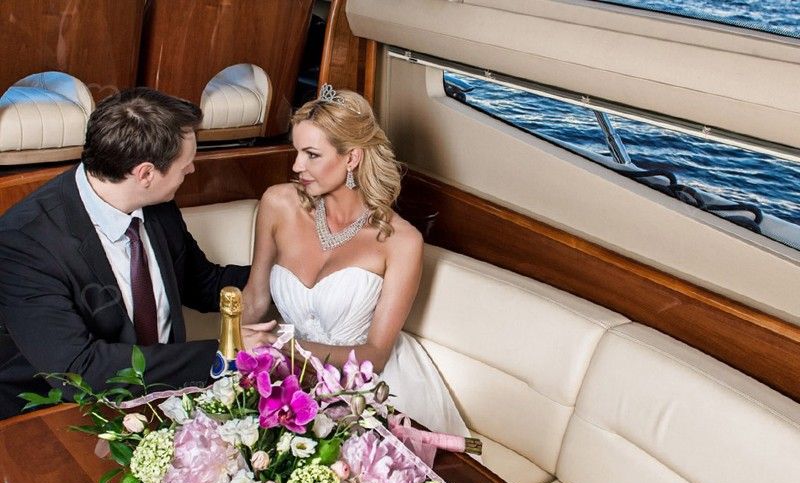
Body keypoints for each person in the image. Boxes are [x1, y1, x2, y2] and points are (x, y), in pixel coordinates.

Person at [0, 87, 274, 419]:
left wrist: (292, 278)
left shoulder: (156, 203)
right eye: (185, 164)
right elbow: (79, 371)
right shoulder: (23, 242)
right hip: (57, 416)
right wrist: (225, 351)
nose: (191, 170)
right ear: (145, 174)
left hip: (164, 403)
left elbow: (202, 284)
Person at [243, 85, 470, 437]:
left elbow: (376, 354)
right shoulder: (278, 204)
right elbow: (255, 299)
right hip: (287, 378)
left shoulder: (402, 242)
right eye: (297, 151)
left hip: (370, 389)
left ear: (352, 158)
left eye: (312, 155)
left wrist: (286, 349)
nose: (297, 166)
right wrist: (235, 353)